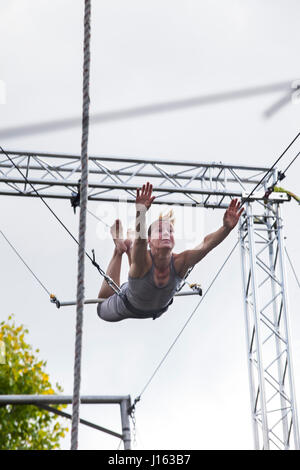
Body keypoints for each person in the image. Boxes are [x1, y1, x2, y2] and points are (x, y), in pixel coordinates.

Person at [97, 182, 243, 322]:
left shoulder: (181, 262)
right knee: (102, 305)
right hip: (127, 306)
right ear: (149, 240)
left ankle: (127, 243)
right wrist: (141, 212)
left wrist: (226, 228)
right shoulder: (144, 255)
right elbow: (141, 242)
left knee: (137, 259)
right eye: (160, 231)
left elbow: (206, 244)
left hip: (157, 308)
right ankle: (119, 250)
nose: (166, 234)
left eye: (170, 231)